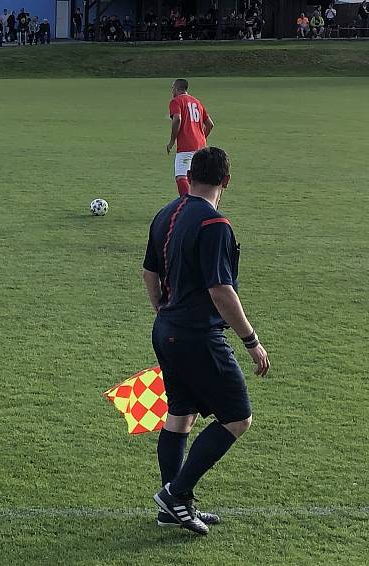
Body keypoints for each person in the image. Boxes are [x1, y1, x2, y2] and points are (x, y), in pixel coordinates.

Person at [144, 147, 270, 536]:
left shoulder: (167, 212)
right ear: (226, 181)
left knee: (181, 414)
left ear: (191, 174)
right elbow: (221, 290)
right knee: (237, 417)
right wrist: (251, 340)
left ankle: (172, 503)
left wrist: (165, 311)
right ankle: (176, 495)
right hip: (197, 335)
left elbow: (148, 272)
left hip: (166, 329)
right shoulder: (214, 223)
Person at [166, 79, 214, 196]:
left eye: (172, 88)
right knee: (197, 179)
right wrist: (202, 137)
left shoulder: (176, 101)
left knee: (181, 177)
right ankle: (203, 204)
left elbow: (177, 119)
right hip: (202, 147)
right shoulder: (197, 102)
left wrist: (172, 141)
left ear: (177, 88)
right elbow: (210, 124)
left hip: (186, 147)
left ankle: (188, 205)